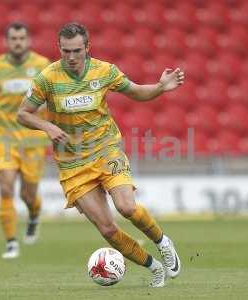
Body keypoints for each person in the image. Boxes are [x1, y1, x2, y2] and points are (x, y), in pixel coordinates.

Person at [18, 23, 184, 287]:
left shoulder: (105, 71)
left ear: (87, 48)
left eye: (77, 51)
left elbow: (137, 92)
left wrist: (160, 87)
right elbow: (23, 113)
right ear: (58, 48)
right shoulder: (47, 79)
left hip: (106, 150)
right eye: (66, 51)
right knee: (107, 229)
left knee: (126, 207)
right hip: (72, 165)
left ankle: (163, 242)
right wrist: (47, 126)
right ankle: (154, 268)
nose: (71, 57)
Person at [0, 22, 50, 259]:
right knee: (6, 187)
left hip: (33, 139)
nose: (17, 42)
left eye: (21, 38)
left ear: (28, 41)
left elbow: (53, 94)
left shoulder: (42, 65)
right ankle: (11, 242)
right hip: (5, 136)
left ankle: (34, 215)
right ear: (7, 42)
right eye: (13, 39)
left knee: (28, 195)